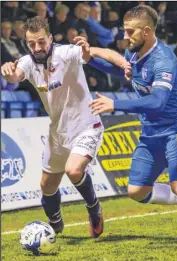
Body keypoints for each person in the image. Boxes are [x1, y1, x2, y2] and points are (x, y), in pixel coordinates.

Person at [74, 5, 177, 210]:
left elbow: (157, 102)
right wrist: (89, 59)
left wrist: (114, 104)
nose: (125, 35)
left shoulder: (163, 60)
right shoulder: (135, 53)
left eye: (130, 31)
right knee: (136, 191)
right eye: (124, 30)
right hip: (151, 132)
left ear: (147, 32)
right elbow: (122, 72)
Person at [1, 16, 104, 238]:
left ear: (49, 38)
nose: (37, 47)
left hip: (86, 125)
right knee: (47, 185)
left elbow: (95, 53)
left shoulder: (65, 53)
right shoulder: (28, 63)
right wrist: (9, 71)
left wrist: (123, 64)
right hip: (57, 132)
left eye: (41, 42)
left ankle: (94, 207)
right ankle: (54, 223)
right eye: (31, 44)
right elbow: (16, 75)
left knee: (74, 170)